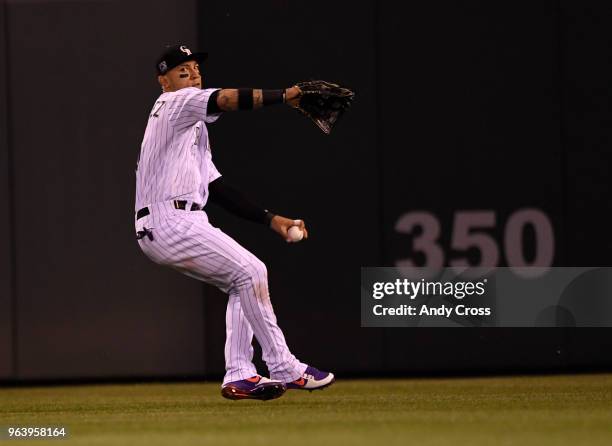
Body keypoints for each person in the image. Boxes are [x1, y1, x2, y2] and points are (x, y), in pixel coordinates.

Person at [134, 44, 334, 400]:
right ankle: (285, 367)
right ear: (163, 82)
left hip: (175, 218)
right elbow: (227, 99)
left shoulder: (190, 130)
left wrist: (269, 219)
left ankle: (240, 373)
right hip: (169, 218)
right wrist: (284, 96)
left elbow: (217, 188)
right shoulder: (173, 103)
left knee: (243, 280)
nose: (193, 74)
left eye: (195, 67)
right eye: (183, 71)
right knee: (251, 273)